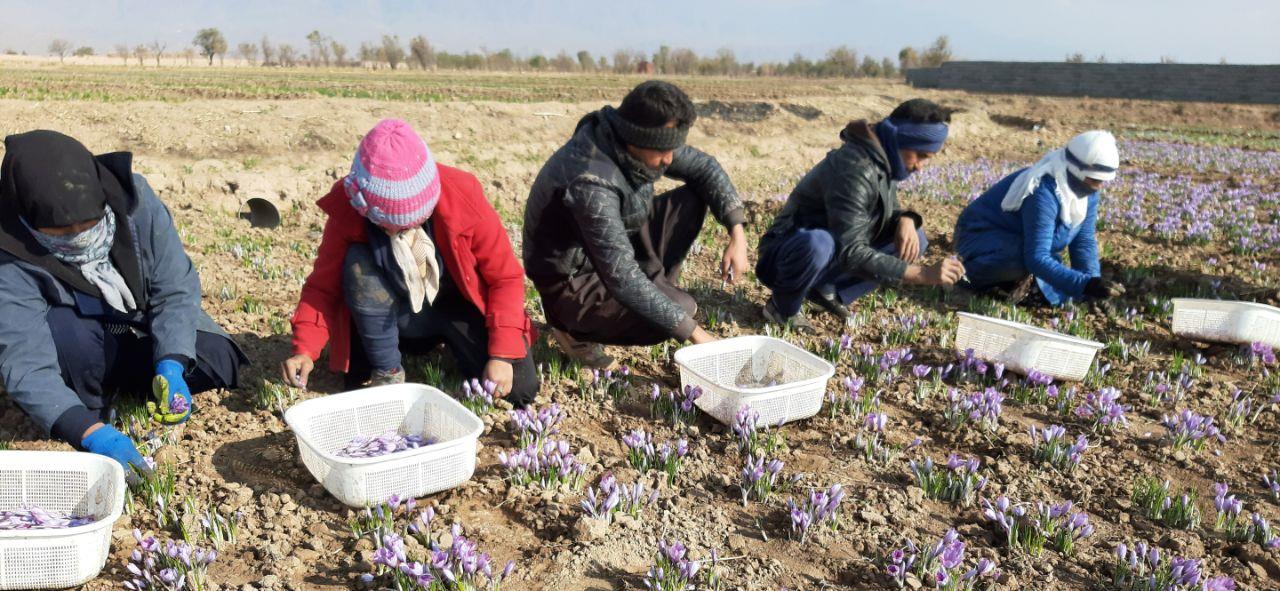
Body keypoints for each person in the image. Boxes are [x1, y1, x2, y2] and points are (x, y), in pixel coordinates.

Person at [0, 130, 244, 476]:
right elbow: (25, 362)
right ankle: (89, 407)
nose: (81, 237)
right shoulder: (9, 250)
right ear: (28, 217)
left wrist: (172, 363)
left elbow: (174, 287)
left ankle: (134, 381)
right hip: (76, 338)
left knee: (217, 358)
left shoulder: (134, 201)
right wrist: (89, 434)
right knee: (69, 342)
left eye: (90, 224)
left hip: (135, 321)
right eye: (63, 233)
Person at [283, 118, 538, 405]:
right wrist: (304, 348)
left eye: (405, 225)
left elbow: (504, 278)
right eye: (384, 224)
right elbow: (322, 288)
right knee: (358, 263)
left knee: (520, 389)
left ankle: (455, 348)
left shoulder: (461, 196)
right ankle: (387, 369)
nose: (395, 232)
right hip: (390, 315)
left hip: (456, 308)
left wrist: (501, 354)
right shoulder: (350, 207)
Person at [522, 80, 748, 369]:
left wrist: (736, 232)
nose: (669, 159)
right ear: (636, 138)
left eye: (672, 148)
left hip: (611, 243)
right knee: (681, 312)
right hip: (573, 279)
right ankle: (570, 327)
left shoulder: (636, 140)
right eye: (662, 151)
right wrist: (697, 335)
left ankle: (656, 292)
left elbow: (705, 167)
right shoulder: (591, 181)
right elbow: (622, 277)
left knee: (693, 196)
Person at [756, 99, 963, 328]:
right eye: (921, 155)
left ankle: (824, 289)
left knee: (915, 238)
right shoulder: (855, 168)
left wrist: (906, 219)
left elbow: (885, 209)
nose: (920, 167)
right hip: (787, 254)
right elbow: (852, 252)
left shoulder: (883, 158)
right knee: (819, 243)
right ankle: (781, 307)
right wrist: (922, 274)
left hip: (833, 247)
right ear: (901, 140)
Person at [954, 130, 1125, 305]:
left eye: (1103, 180)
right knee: (1021, 261)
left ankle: (1009, 285)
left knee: (1061, 293)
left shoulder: (1087, 191)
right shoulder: (1043, 190)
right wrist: (1084, 284)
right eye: (1095, 179)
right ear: (1077, 170)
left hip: (1021, 244)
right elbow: (1036, 257)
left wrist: (1094, 287)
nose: (1100, 186)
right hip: (981, 237)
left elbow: (1083, 240)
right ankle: (965, 278)